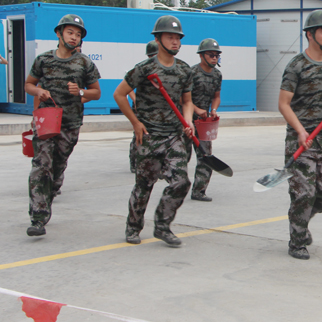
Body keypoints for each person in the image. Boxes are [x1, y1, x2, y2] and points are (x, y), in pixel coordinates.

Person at [113, 15, 194, 247]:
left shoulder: (184, 71)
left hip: (173, 136)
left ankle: (162, 225)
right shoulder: (144, 69)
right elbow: (119, 94)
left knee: (181, 182)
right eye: (170, 37)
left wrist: (188, 122)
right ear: (158, 39)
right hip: (148, 137)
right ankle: (133, 226)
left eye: (178, 38)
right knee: (144, 186)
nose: (175, 42)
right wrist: (136, 123)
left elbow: (187, 101)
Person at [278, 10, 322, 260]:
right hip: (301, 138)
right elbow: (283, 103)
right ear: (310, 34)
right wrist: (299, 131)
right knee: (303, 193)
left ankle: (300, 220)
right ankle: (297, 240)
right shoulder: (296, 65)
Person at [24, 15, 101, 236]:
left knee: (57, 165)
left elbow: (97, 92)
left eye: (78, 34)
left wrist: (82, 92)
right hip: (46, 120)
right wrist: (38, 91)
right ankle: (38, 218)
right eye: (70, 32)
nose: (74, 37)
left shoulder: (84, 63)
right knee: (41, 165)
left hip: (70, 122)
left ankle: (53, 188)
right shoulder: (43, 60)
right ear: (59, 33)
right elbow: (29, 84)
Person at [187, 38, 222, 202]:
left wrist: (213, 110)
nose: (214, 58)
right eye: (211, 55)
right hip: (185, 120)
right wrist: (197, 109)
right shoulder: (191, 73)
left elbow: (217, 97)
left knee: (206, 156)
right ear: (201, 56)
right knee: (181, 156)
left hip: (204, 123)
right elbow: (182, 99)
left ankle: (199, 191)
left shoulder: (217, 75)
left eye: (217, 55)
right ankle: (177, 187)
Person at [128, 40, 159, 174]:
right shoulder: (142, 69)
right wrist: (135, 100)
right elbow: (127, 88)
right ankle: (134, 162)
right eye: (151, 56)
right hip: (141, 109)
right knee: (138, 136)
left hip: (155, 109)